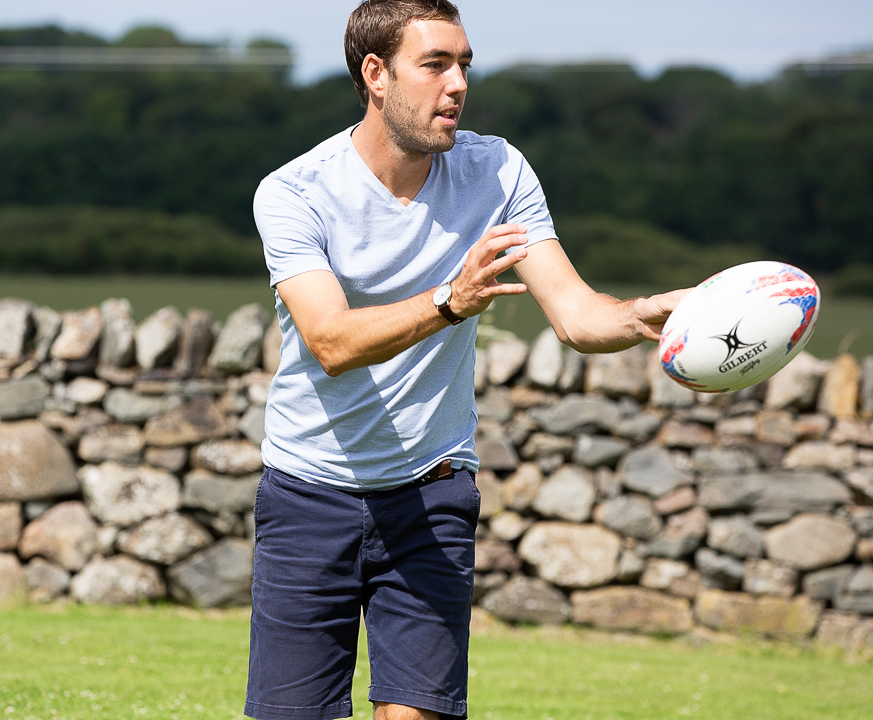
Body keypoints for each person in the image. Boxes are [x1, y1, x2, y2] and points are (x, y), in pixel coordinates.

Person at [245, 2, 688, 719]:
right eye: (435, 64)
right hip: (307, 495)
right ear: (375, 75)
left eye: (464, 65)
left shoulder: (498, 171)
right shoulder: (295, 192)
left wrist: (644, 315)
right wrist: (450, 300)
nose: (458, 84)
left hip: (433, 493)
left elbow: (577, 317)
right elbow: (331, 343)